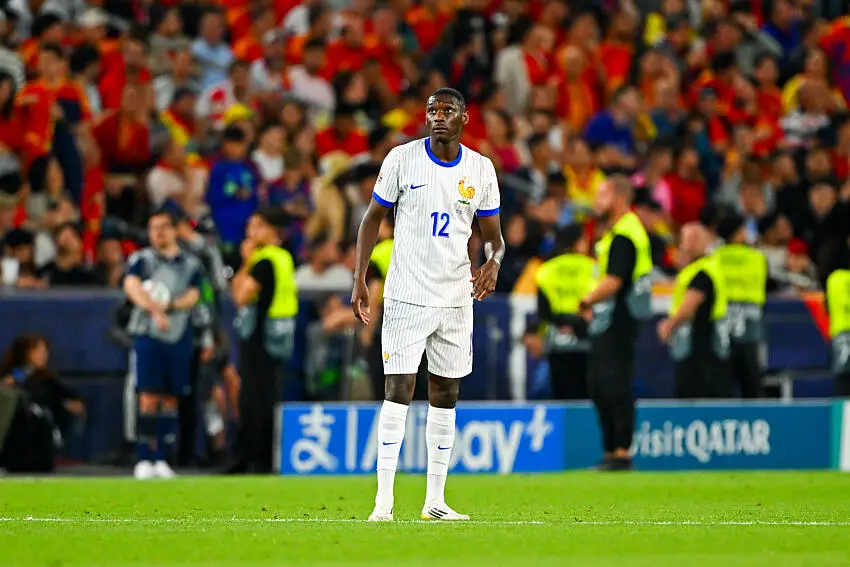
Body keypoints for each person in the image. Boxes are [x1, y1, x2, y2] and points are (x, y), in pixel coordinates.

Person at [351, 87, 505, 522]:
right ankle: (383, 503)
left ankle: (435, 501)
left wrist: (494, 263)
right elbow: (372, 219)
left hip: (456, 295)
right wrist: (359, 276)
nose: (438, 116)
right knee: (398, 390)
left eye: (447, 110)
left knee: (446, 393)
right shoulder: (402, 159)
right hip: (407, 293)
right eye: (432, 110)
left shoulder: (481, 168)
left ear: (464, 118)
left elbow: (494, 239)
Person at [579, 175, 652, 471]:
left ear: (619, 198)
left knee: (615, 383)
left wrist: (587, 301)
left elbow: (615, 279)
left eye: (602, 195)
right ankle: (611, 451)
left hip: (620, 318)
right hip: (609, 317)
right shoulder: (618, 232)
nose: (596, 201)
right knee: (601, 384)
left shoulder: (625, 233)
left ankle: (621, 451)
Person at [123, 211, 203, 480]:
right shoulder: (141, 260)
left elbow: (194, 295)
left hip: (178, 334)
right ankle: (144, 457)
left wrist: (170, 306)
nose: (158, 233)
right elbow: (131, 286)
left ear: (174, 230)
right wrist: (154, 309)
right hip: (148, 335)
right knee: (148, 396)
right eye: (153, 228)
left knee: (171, 398)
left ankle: (162, 458)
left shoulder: (190, 264)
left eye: (163, 227)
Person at [230, 208, 298, 474]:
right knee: (269, 396)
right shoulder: (284, 257)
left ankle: (249, 458)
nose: (251, 230)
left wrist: (246, 261)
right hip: (280, 334)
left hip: (260, 336)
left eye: (258, 225)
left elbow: (240, 297)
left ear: (272, 230)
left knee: (252, 399)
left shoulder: (264, 261)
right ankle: (267, 458)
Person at [658, 223, 730, 399]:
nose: (681, 247)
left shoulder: (702, 271)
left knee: (694, 392)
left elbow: (692, 302)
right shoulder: (706, 266)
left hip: (699, 345)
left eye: (684, 241)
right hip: (706, 344)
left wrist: (670, 324)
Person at [535, 224, 595, 400]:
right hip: (587, 340)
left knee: (562, 396)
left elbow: (543, 312)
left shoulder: (546, 270)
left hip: (558, 342)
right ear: (578, 242)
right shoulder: (593, 268)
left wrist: (563, 323)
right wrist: (579, 322)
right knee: (587, 398)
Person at [714, 213, 769, 398]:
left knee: (723, 383)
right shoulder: (757, 257)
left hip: (723, 325)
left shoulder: (714, 257)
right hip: (751, 324)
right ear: (738, 233)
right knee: (752, 382)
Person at [826, 262, 850, 396]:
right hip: (844, 332)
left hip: (840, 332)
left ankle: (843, 404)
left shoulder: (834, 278)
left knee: (842, 373)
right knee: (843, 373)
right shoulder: (840, 278)